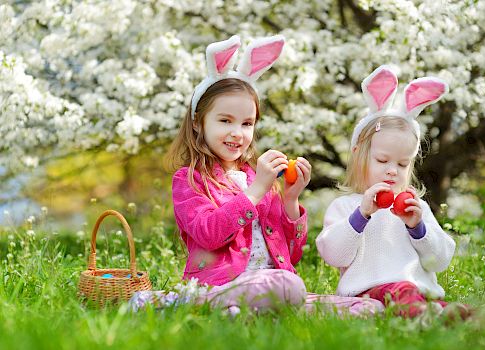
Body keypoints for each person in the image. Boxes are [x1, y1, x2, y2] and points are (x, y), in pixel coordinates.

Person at [129, 35, 383, 316]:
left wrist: (290, 199)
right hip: (222, 284)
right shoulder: (190, 179)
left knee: (369, 308)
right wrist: (256, 191)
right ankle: (191, 301)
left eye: (247, 123)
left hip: (275, 285)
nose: (237, 133)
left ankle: (243, 312)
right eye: (225, 120)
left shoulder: (257, 178)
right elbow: (209, 234)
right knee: (287, 286)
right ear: (198, 123)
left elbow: (292, 253)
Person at [316, 65, 470, 319]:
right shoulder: (346, 207)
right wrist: (361, 216)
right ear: (358, 156)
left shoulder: (415, 208)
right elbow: (334, 255)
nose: (392, 171)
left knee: (456, 310)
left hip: (418, 294)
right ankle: (431, 317)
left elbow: (440, 259)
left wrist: (418, 229)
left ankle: (463, 320)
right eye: (382, 160)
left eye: (402, 164)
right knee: (404, 294)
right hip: (370, 294)